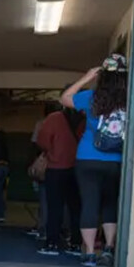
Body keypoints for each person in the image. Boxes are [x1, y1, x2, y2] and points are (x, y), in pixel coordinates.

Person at [60, 54, 128, 267]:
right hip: (116, 158)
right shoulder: (130, 99)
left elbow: (65, 98)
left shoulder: (92, 97)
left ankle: (89, 253)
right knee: (110, 203)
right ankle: (108, 249)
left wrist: (86, 77)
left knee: (89, 203)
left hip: (88, 157)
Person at [36, 102, 85, 256]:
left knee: (54, 207)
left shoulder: (54, 118)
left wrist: (52, 153)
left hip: (56, 167)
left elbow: (42, 140)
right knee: (76, 208)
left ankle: (52, 243)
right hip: (78, 168)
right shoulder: (86, 119)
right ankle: (76, 244)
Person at [27, 103, 61, 240]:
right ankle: (60, 230)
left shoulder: (42, 124)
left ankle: (43, 228)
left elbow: (36, 144)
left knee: (44, 198)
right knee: (61, 200)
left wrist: (35, 161)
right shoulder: (68, 123)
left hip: (46, 163)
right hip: (65, 163)